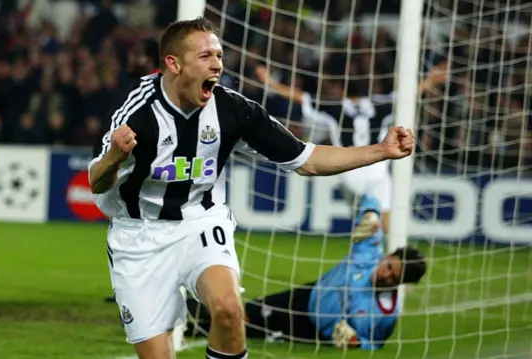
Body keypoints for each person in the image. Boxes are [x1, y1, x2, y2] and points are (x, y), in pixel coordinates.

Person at [88, 17, 415, 359]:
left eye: (219, 55)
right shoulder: (139, 110)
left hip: (199, 222)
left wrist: (381, 150)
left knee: (229, 308)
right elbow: (97, 180)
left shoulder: (233, 110)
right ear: (174, 63)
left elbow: (307, 159)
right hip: (139, 236)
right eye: (205, 56)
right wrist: (114, 155)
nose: (216, 64)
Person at [185, 194, 427, 350]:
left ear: (400, 283)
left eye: (394, 278)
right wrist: (371, 215)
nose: (386, 275)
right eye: (389, 267)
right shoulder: (369, 250)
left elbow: (375, 345)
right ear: (388, 255)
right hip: (307, 296)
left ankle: (189, 325)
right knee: (247, 313)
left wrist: (356, 342)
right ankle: (187, 318)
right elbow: (370, 198)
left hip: (312, 333)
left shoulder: (387, 314)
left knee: (251, 333)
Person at [255, 61, 447, 234]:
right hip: (377, 167)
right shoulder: (381, 103)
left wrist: (270, 82)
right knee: (385, 222)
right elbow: (409, 94)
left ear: (341, 87)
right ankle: (384, 253)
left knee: (361, 222)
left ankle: (364, 243)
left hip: (349, 167)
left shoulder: (334, 105)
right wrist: (431, 80)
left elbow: (300, 97)